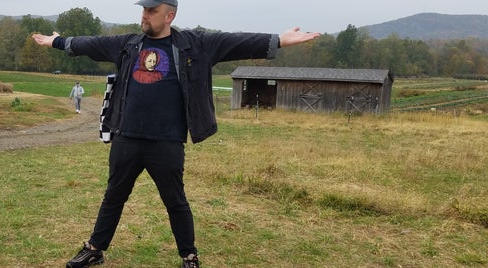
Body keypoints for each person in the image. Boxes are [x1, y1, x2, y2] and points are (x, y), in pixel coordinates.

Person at [32, 1, 320, 267]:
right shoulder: (128, 44)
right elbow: (91, 44)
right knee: (114, 196)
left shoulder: (195, 45)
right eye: (143, 9)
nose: (144, 15)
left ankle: (189, 254)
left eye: (151, 10)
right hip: (127, 137)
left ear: (170, 15)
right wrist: (56, 41)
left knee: (175, 201)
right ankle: (95, 249)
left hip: (167, 142)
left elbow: (238, 42)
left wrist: (279, 40)